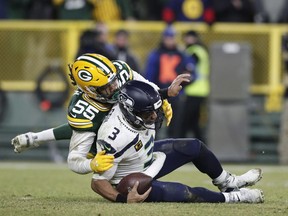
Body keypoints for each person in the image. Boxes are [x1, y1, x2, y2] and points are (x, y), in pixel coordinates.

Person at [11, 53, 191, 174]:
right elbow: (74, 160)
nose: (115, 88)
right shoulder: (85, 110)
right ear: (90, 90)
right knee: (88, 126)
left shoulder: (119, 71)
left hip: (123, 126)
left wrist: (163, 95)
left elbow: (145, 87)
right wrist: (91, 165)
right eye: (106, 88)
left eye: (113, 81)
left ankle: (34, 138)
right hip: (100, 133)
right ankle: (35, 138)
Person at [90, 80, 264, 203]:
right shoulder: (114, 136)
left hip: (145, 156)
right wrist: (122, 198)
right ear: (130, 112)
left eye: (154, 110)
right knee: (184, 193)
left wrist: (166, 93)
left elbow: (147, 97)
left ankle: (229, 183)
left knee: (194, 146)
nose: (153, 116)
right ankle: (235, 197)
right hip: (132, 179)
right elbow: (97, 181)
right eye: (147, 114)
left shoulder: (136, 103)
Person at [144, 25, 196, 138]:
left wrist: (186, 81)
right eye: (168, 38)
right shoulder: (156, 54)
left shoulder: (181, 54)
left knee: (175, 128)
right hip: (159, 94)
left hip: (176, 96)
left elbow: (191, 73)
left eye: (172, 37)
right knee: (154, 127)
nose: (170, 40)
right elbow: (149, 75)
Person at [176, 30, 210, 141]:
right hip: (201, 90)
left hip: (194, 90)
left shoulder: (193, 51)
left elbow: (190, 68)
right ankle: (201, 145)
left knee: (185, 121)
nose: (187, 40)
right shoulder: (201, 50)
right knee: (193, 122)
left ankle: (179, 144)